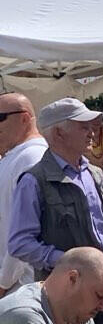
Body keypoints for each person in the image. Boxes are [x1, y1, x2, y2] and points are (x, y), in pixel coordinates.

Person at [9, 98, 103, 324]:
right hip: (67, 298)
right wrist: (64, 261)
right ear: (58, 134)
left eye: (91, 125)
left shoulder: (95, 174)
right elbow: (19, 243)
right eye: (82, 126)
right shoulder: (35, 180)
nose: (92, 131)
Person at [0, 94, 47, 296]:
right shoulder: (17, 156)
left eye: (0, 117)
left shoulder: (32, 157)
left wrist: (4, 281)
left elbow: (23, 228)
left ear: (25, 118)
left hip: (24, 283)